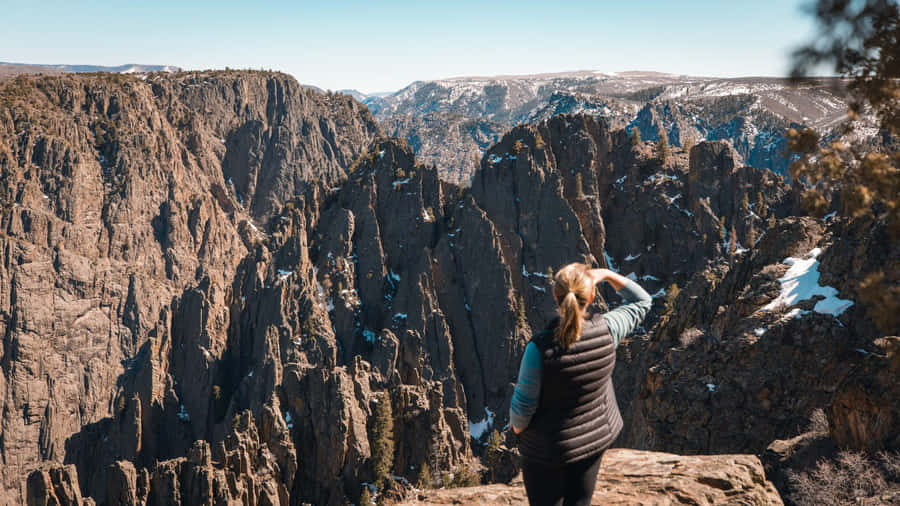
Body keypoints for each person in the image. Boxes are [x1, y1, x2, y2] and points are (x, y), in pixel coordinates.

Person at [509, 262, 651, 506]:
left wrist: (518, 430)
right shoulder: (608, 329)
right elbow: (642, 301)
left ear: (556, 296)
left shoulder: (539, 349)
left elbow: (522, 410)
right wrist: (606, 274)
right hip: (592, 442)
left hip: (547, 451)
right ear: (592, 296)